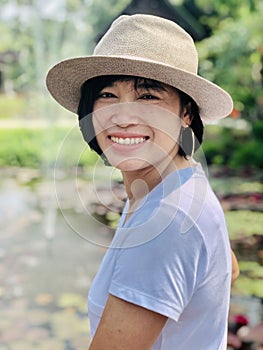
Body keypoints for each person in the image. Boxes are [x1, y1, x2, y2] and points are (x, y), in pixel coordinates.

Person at [46, 14, 239, 350]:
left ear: (186, 113)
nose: (123, 117)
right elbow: (229, 268)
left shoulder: (166, 219)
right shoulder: (180, 178)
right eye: (107, 95)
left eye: (148, 96)